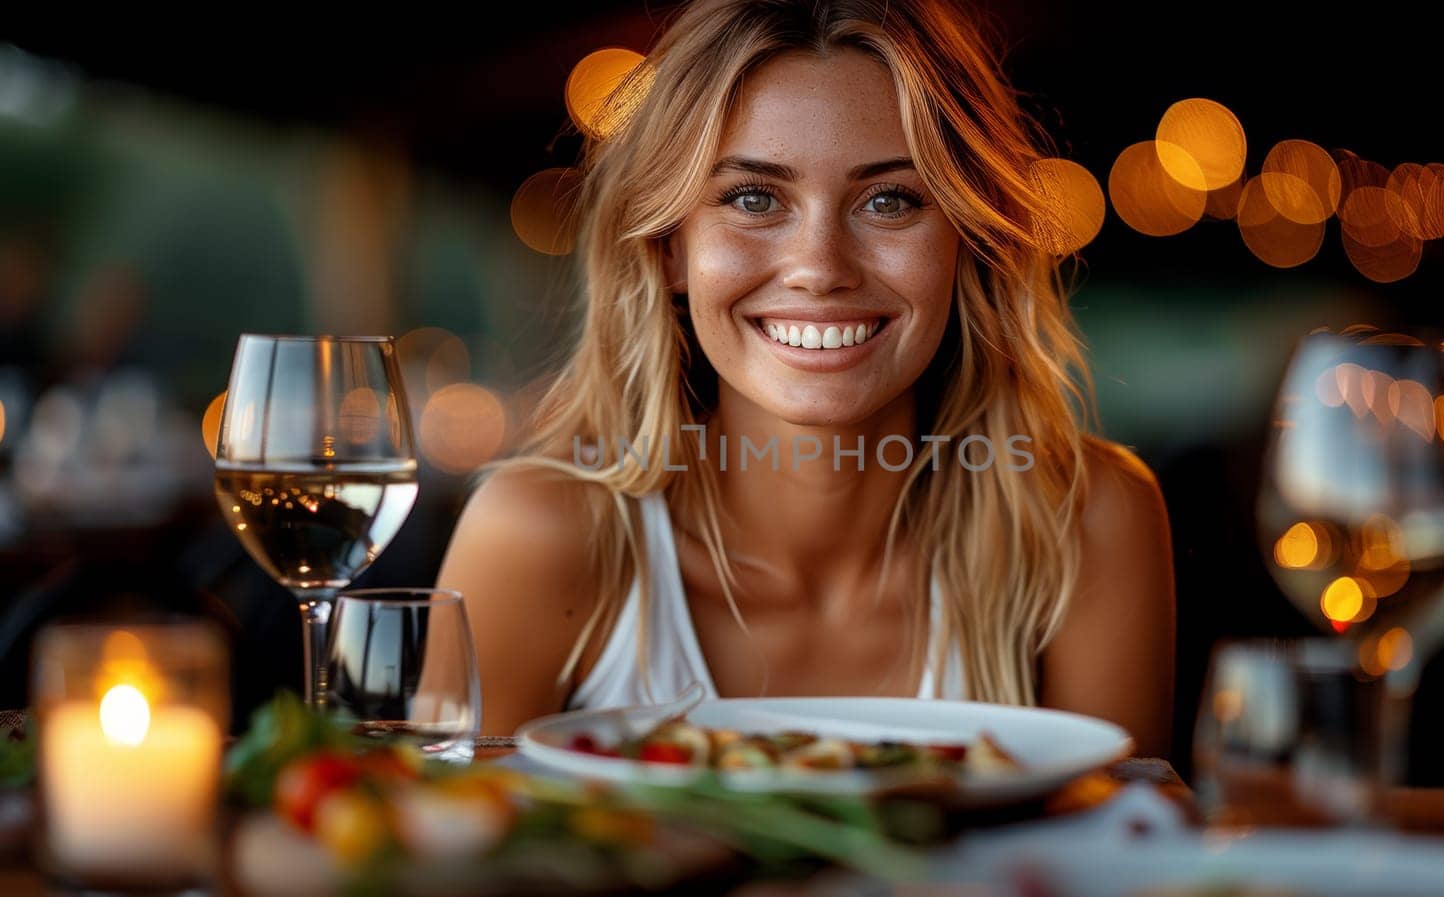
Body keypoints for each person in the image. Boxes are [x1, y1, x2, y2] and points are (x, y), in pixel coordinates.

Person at [438, 0, 1176, 757]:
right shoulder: (537, 535)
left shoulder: (1086, 523)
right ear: (668, 248)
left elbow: (1126, 852)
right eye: (754, 199)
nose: (820, 268)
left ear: (970, 242)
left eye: (890, 200)